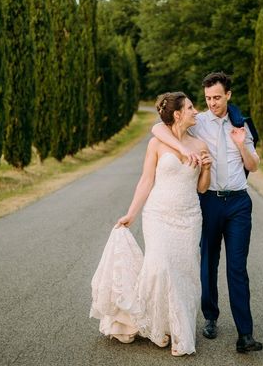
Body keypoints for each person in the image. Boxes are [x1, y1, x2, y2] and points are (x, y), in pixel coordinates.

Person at [90, 92, 212, 356]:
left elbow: (203, 189)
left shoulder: (200, 145)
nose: (196, 111)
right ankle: (158, 327)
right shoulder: (157, 144)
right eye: (191, 107)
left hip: (189, 217)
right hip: (157, 214)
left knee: (184, 272)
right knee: (159, 267)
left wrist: (207, 169)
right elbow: (146, 181)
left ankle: (178, 331)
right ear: (178, 114)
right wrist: (130, 214)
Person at [151, 72, 263, 353]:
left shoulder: (241, 124)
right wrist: (179, 146)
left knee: (237, 267)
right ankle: (210, 316)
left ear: (228, 95)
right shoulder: (197, 122)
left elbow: (254, 165)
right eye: (207, 99)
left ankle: (245, 334)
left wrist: (240, 144)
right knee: (208, 262)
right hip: (210, 202)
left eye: (216, 97)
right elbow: (158, 129)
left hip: (238, 202)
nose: (211, 103)